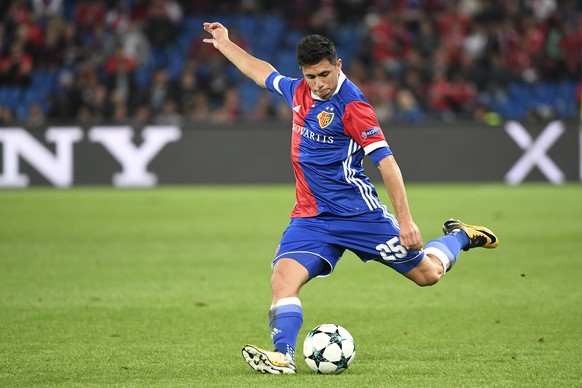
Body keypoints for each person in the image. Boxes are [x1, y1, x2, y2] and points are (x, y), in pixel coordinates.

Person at [202, 21, 499, 374]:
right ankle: (283, 356)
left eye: (325, 74)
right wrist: (225, 45)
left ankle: (460, 236)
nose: (319, 84)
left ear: (338, 65)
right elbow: (262, 73)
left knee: (428, 274)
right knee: (282, 280)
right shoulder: (298, 91)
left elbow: (387, 164)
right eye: (312, 76)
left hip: (360, 216)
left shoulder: (353, 106)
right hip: (311, 218)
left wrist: (406, 222)